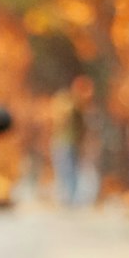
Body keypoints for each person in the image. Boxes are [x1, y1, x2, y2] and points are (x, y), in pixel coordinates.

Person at [50, 75, 93, 205]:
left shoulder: (79, 107)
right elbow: (60, 120)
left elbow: (82, 128)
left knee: (70, 170)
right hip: (63, 142)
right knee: (66, 170)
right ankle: (67, 198)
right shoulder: (69, 103)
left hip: (70, 143)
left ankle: (70, 199)